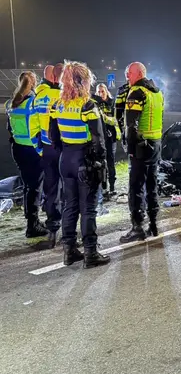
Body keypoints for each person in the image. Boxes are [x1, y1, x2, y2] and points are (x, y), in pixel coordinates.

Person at [48, 61, 109, 268]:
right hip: (85, 161)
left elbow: (52, 137)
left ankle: (69, 251)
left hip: (65, 160)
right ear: (83, 81)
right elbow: (98, 140)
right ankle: (91, 253)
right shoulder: (88, 105)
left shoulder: (57, 105)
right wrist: (100, 161)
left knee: (70, 206)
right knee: (88, 208)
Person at [120, 62, 164, 243]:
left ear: (138, 73)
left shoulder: (136, 93)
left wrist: (130, 149)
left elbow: (131, 125)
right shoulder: (157, 92)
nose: (127, 77)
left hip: (141, 147)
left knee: (136, 187)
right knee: (152, 185)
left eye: (129, 73)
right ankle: (153, 224)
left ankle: (137, 227)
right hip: (156, 144)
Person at [6, 71, 47, 238]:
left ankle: (30, 218)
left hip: (18, 149)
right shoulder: (33, 102)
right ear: (33, 83)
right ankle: (32, 225)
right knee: (35, 188)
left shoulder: (11, 103)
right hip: (33, 150)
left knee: (27, 186)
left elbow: (9, 128)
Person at [32, 64, 64, 248]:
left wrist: (39, 149)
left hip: (47, 149)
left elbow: (33, 126)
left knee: (51, 191)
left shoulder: (39, 97)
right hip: (66, 150)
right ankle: (70, 233)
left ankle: (52, 232)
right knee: (69, 191)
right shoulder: (65, 97)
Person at [93, 83, 121, 197]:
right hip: (100, 137)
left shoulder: (112, 103)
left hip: (111, 137)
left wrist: (104, 117)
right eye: (98, 92)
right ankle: (103, 188)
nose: (101, 94)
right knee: (101, 163)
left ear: (106, 91)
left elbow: (115, 120)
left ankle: (112, 187)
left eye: (102, 91)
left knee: (110, 162)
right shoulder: (95, 103)